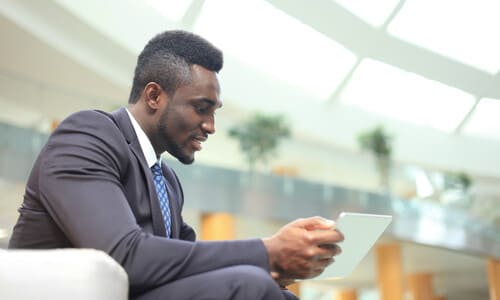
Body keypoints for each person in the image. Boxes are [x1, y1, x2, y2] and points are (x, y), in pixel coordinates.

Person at [9, 30, 344, 300]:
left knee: (273, 290)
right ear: (154, 96)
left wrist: (275, 263)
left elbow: (184, 258)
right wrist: (267, 251)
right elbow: (124, 255)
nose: (211, 125)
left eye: (214, 112)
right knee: (248, 285)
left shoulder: (166, 180)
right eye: (202, 108)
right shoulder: (87, 135)